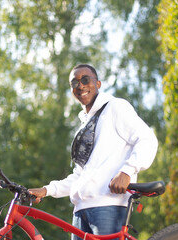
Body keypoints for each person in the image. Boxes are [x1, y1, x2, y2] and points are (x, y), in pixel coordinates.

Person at [29, 64, 158, 240]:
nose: (80, 85)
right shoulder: (84, 125)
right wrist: (47, 190)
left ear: (97, 83)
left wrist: (127, 170)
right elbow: (80, 175)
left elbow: (147, 140)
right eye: (74, 82)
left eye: (85, 80)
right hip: (80, 210)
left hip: (108, 206)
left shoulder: (115, 107)